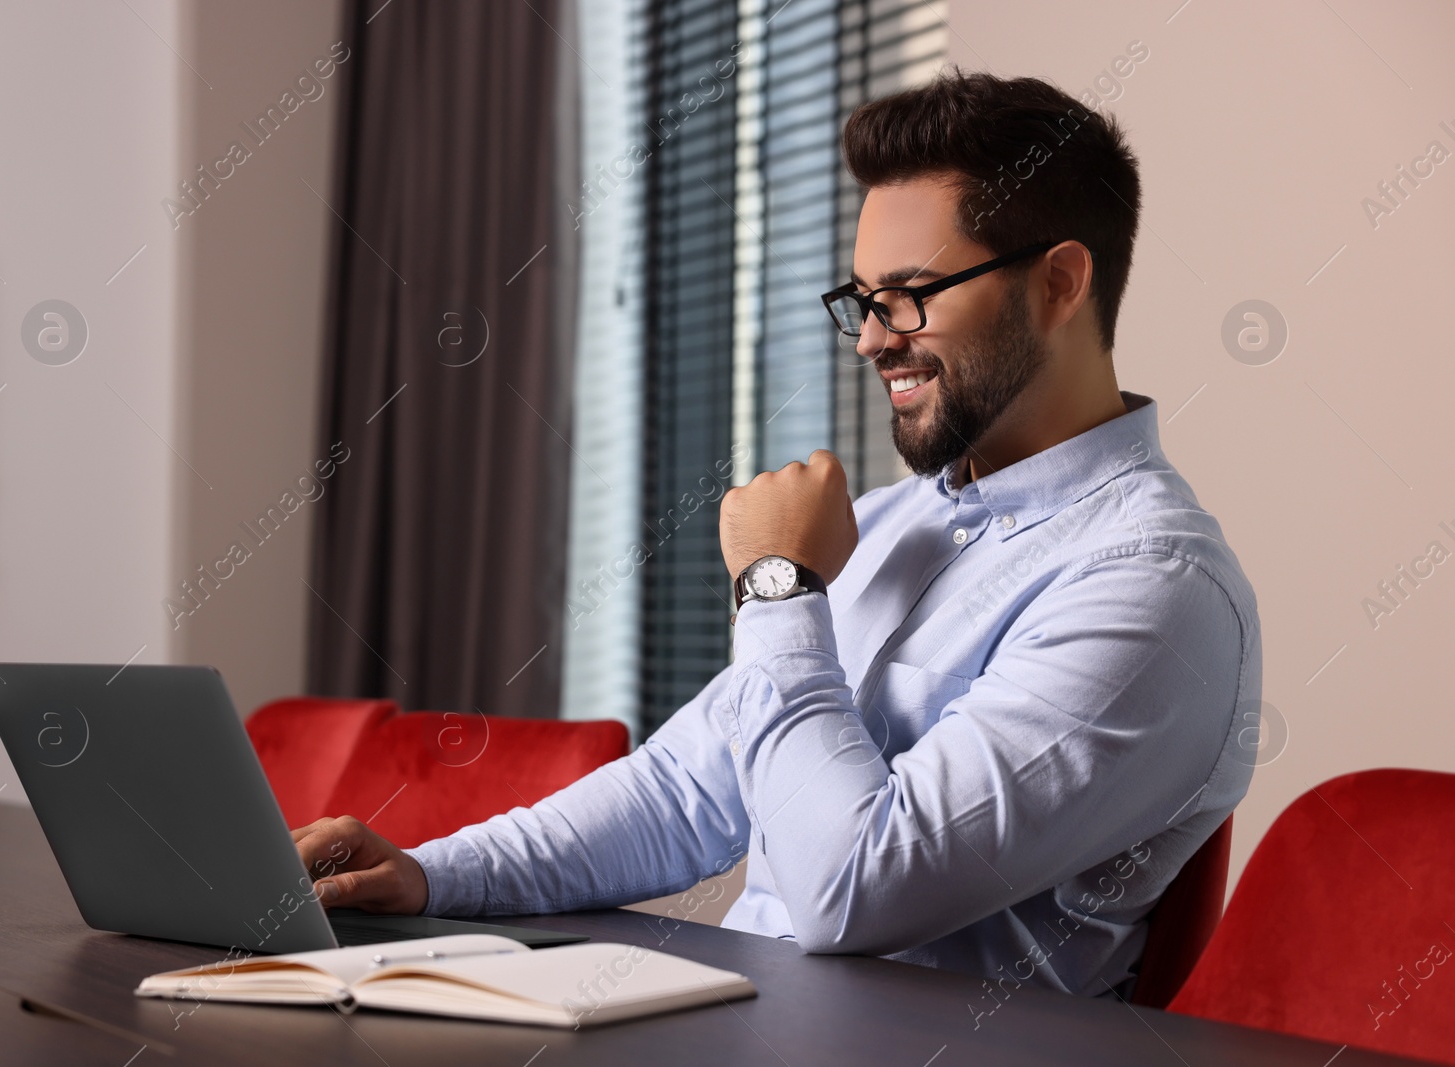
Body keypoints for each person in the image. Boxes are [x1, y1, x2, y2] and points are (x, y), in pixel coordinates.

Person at [291, 67, 1262, 999]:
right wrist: (427, 875)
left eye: (910, 293)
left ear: (1058, 284)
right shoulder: (878, 526)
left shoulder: (1154, 588)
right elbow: (681, 792)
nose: (873, 337)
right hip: (731, 1020)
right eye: (862, 299)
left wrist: (776, 584)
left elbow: (853, 889)